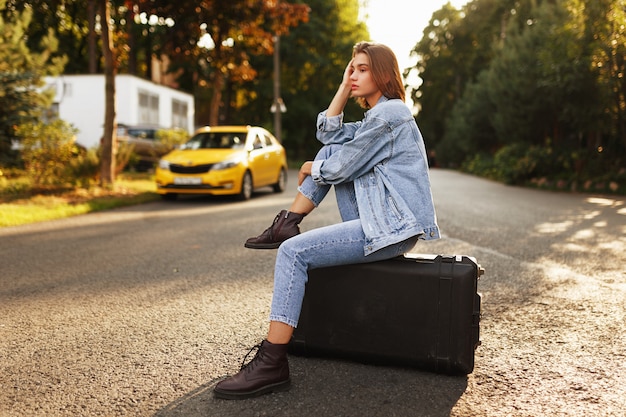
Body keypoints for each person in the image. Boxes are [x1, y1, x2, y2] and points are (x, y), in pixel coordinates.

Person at [213, 41, 440, 400]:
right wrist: (343, 84)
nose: (354, 76)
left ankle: (272, 364)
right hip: (378, 220)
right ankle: (288, 219)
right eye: (352, 69)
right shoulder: (376, 116)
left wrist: (309, 168)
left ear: (382, 73)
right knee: (330, 148)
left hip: (391, 228)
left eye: (362, 69)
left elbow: (341, 167)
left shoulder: (390, 114)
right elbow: (329, 134)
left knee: (292, 252)